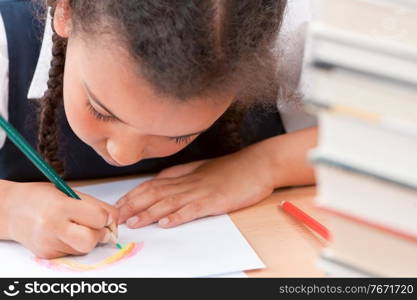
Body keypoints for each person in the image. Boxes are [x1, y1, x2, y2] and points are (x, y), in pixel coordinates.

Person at [0, 0, 317, 259]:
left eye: (179, 135)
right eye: (100, 110)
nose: (123, 155)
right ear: (67, 11)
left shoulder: (295, 26)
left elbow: (366, 140)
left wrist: (265, 166)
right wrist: (10, 208)